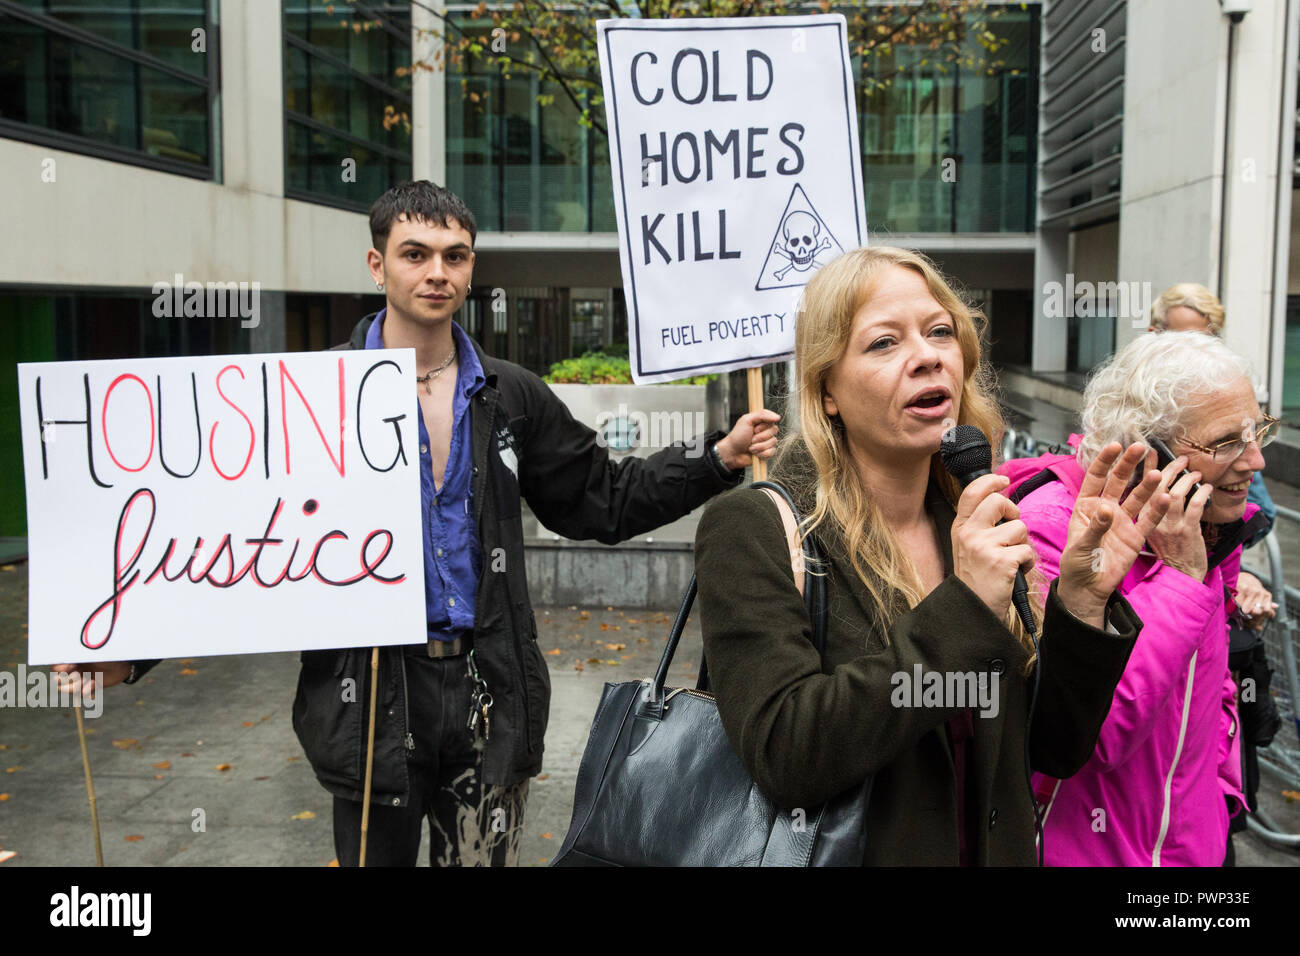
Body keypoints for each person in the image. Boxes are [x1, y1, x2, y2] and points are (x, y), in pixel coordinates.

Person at [56, 180, 781, 867]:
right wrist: (129, 653)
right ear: (378, 264)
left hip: (488, 694)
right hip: (370, 702)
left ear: (470, 269)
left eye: (455, 256)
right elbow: (231, 541)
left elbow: (602, 498)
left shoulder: (510, 396)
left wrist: (716, 457)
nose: (437, 272)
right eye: (415, 254)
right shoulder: (313, 395)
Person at [693, 246, 1171, 865]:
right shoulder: (754, 527)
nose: (927, 356)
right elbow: (788, 754)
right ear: (827, 391)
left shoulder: (975, 522)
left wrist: (1081, 601)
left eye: (940, 332)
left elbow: (1051, 747)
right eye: (884, 343)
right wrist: (965, 607)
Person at [1008, 331, 1275, 866]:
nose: (1255, 461)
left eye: (1258, 431)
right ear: (1146, 451)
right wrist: (1178, 577)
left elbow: (1212, 688)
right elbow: (1095, 736)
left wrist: (1222, 798)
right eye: (1227, 442)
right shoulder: (1052, 531)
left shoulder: (1202, 526)